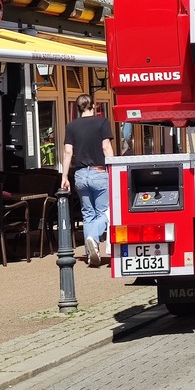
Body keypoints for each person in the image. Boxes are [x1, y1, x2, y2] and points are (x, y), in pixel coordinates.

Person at [60, 94, 114, 267]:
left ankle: (91, 255)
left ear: (77, 108)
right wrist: (114, 168)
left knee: (88, 214)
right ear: (94, 105)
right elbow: (106, 147)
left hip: (81, 174)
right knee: (105, 212)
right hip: (99, 172)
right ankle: (93, 237)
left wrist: (64, 176)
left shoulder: (71, 126)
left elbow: (68, 152)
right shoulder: (102, 122)